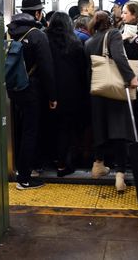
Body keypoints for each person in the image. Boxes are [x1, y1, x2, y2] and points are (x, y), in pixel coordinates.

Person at [84, 11, 138, 192]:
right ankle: (120, 175)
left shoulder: (89, 42)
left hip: (97, 90)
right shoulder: (114, 34)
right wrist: (131, 77)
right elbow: (118, 56)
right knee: (118, 130)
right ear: (109, 22)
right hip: (114, 90)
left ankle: (98, 166)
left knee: (99, 128)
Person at [7, 0, 57, 190]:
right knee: (31, 132)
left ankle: (22, 169)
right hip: (32, 90)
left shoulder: (9, 32)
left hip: (14, 88)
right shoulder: (37, 34)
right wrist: (52, 96)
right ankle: (25, 178)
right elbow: (47, 68)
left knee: (21, 129)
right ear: (38, 13)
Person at [45, 11, 89, 177]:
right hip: (72, 94)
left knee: (51, 128)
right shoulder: (76, 43)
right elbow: (82, 71)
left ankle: (52, 160)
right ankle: (64, 164)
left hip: (49, 93)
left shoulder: (44, 40)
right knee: (67, 129)